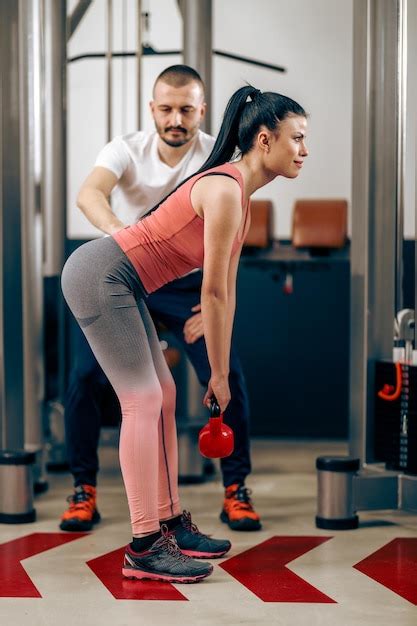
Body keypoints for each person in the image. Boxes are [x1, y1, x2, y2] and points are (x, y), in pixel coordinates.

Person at [61, 83, 308, 583]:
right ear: (264, 140)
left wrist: (220, 372)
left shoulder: (238, 195)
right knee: (143, 400)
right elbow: (213, 294)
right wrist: (218, 374)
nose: (304, 150)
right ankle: (145, 545)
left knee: (165, 394)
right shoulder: (223, 189)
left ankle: (172, 521)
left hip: (125, 283)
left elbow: (226, 293)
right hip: (101, 275)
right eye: (297, 138)